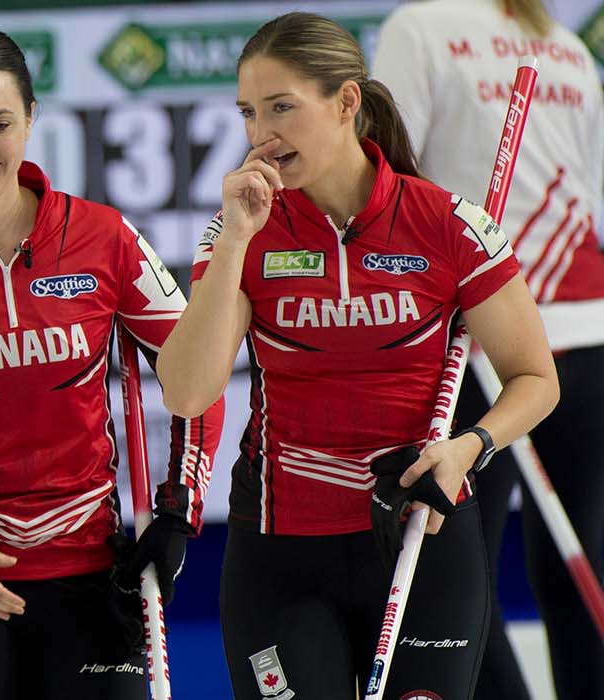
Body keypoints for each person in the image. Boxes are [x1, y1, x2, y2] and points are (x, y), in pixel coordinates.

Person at [157, 11, 560, 698]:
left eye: (282, 107)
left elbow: (535, 379)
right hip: (281, 553)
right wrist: (232, 244)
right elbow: (187, 394)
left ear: (346, 102)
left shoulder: (447, 223)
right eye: (249, 113)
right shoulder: (242, 231)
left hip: (421, 541)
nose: (261, 134)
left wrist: (471, 446)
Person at [0, 23, 224, 700]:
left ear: (30, 118)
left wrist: (178, 509)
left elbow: (196, 378)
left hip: (86, 569)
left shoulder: (103, 237)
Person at [373, 2, 604, 696]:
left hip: (489, 337)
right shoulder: (564, 43)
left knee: (454, 575)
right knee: (572, 561)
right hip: (583, 334)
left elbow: (388, 179)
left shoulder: (419, 26)